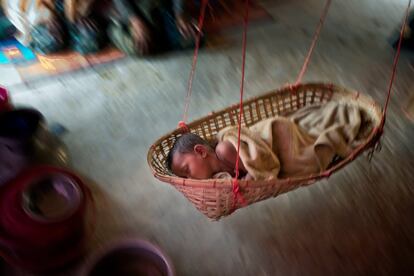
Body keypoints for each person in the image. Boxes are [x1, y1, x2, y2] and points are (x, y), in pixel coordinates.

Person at [1, 0, 109, 55]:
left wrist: (79, 16)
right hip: (34, 19)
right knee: (51, 40)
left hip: (71, 14)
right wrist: (42, 20)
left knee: (91, 38)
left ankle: (72, 36)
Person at [109, 0, 201, 55]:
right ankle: (114, 28)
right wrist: (136, 22)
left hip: (162, 8)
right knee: (140, 47)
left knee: (192, 39)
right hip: (137, 11)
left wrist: (180, 12)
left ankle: (162, 36)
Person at [166, 133, 250, 180]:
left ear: (201, 151)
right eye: (185, 177)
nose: (189, 179)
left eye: (186, 170)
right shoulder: (215, 179)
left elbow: (254, 171)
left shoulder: (224, 150)